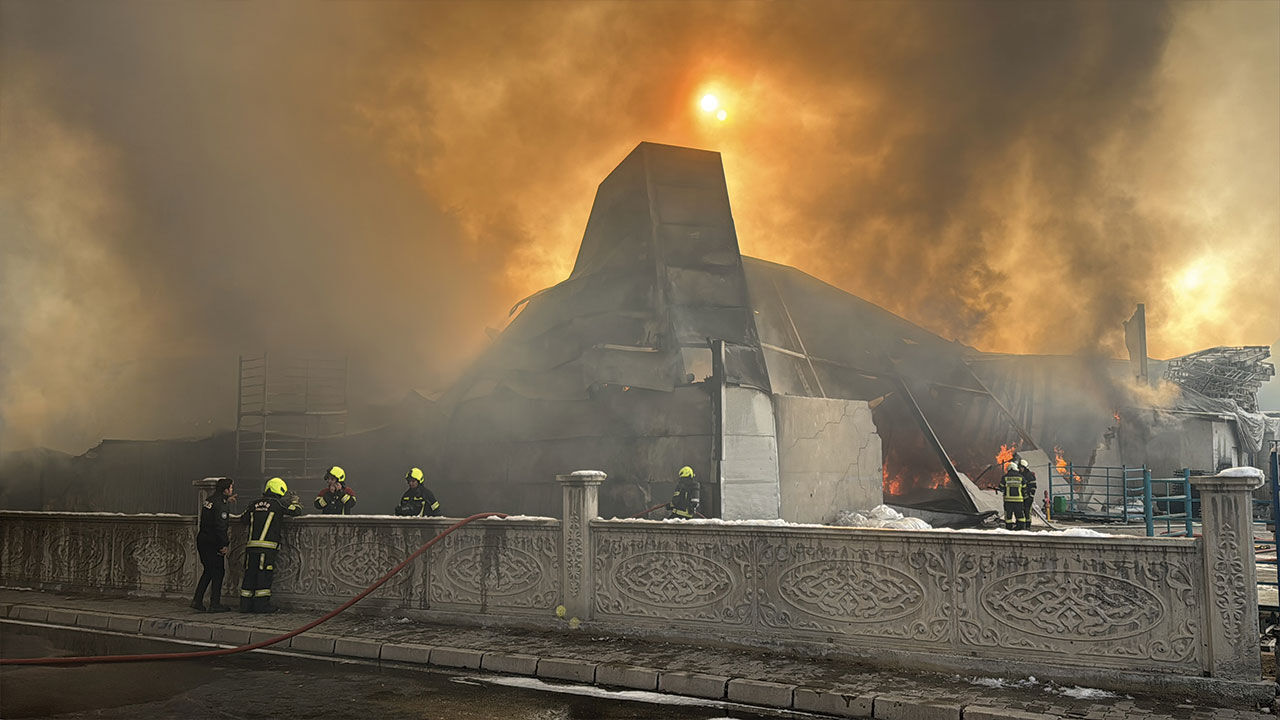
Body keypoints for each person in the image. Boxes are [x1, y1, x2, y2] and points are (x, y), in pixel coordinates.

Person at [240, 477, 302, 613]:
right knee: (263, 576)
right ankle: (261, 606)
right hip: (267, 548)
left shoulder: (253, 504)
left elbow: (243, 519)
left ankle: (245, 606)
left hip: (251, 547)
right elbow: (296, 511)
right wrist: (295, 502)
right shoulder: (278, 504)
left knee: (249, 575)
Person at [191, 477, 236, 612]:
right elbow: (220, 526)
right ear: (226, 489)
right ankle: (214, 604)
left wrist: (227, 501)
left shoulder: (210, 500)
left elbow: (213, 511)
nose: (232, 490)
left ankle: (197, 600)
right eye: (231, 488)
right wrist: (224, 544)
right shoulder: (221, 505)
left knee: (209, 571)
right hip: (213, 542)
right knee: (218, 572)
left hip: (203, 540)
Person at [998, 461, 1027, 530]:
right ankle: (1021, 527)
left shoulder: (1005, 477)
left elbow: (1001, 487)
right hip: (1019, 500)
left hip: (1008, 500)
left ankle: (1009, 527)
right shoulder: (1021, 477)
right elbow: (1024, 488)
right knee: (1020, 514)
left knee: (1008, 515)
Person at [1018, 458, 1038, 528]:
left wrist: (1030, 496)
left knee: (1027, 512)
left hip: (1028, 497)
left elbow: (1033, 487)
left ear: (1025, 467)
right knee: (1021, 511)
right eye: (1019, 467)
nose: (1020, 469)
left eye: (1021, 467)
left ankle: (1028, 525)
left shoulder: (1030, 475)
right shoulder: (1020, 475)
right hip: (1021, 497)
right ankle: (1022, 525)